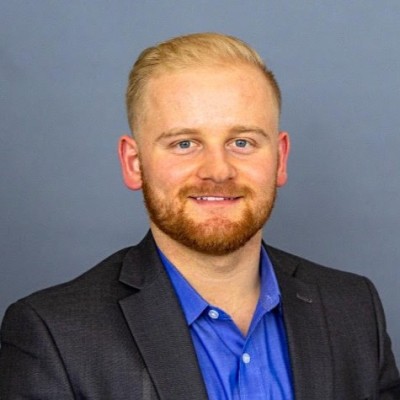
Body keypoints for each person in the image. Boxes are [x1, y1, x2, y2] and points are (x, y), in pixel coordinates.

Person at [0, 32, 399, 400]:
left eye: (242, 142)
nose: (218, 171)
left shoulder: (354, 309)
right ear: (134, 163)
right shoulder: (54, 336)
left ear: (280, 158)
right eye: (184, 143)